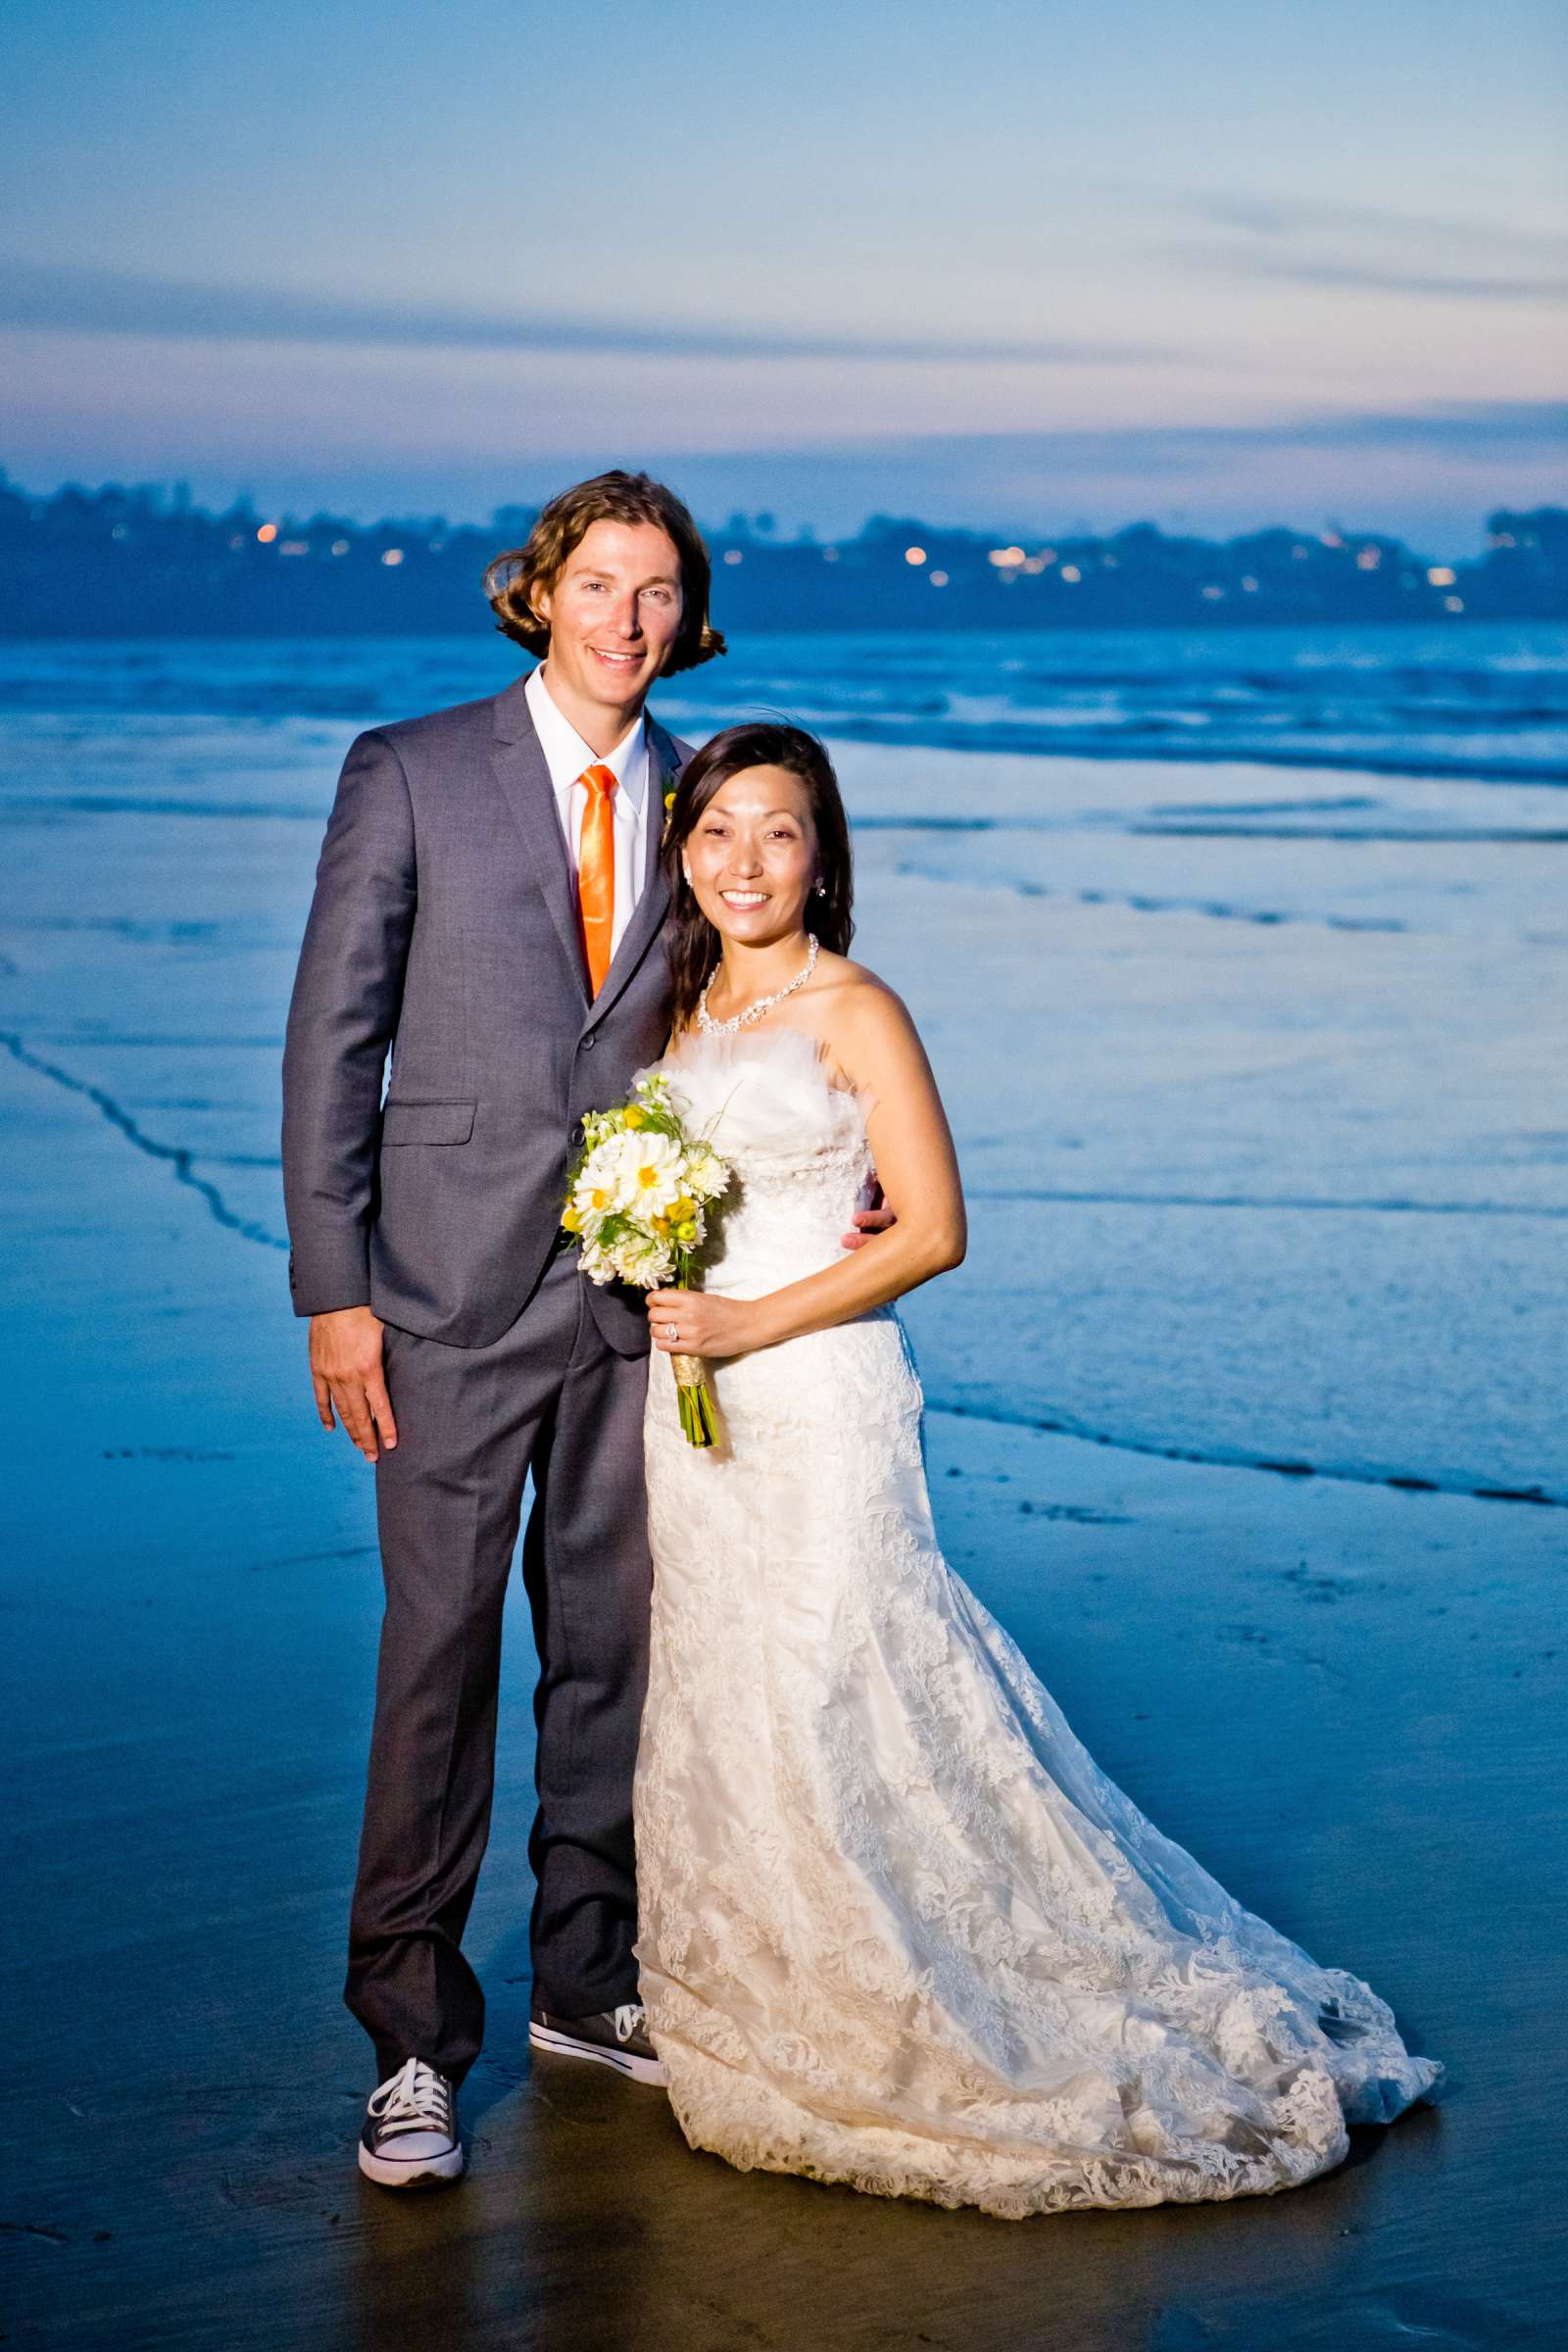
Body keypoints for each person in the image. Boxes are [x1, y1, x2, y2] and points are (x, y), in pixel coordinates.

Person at [632, 720, 1446, 2220]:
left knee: (843, 1680)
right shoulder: (680, 1006)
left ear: (826, 857)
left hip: (815, 1395)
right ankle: (760, 1990)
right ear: (683, 848)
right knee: (728, 1686)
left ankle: (907, 2000)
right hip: (695, 1418)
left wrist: (749, 1318)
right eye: (719, 830)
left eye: (782, 831)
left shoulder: (857, 1010)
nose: (746, 861)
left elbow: (934, 1231)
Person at [280, 475, 892, 2189]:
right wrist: (334, 1292)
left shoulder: (706, 799)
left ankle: (583, 1979)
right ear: (541, 596)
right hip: (443, 1302)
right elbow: (333, 1042)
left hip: (640, 1308)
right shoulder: (407, 772)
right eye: (599, 585)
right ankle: (409, 2040)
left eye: (659, 592)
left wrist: (834, 1174)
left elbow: (771, 992)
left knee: (617, 1659)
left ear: (684, 615)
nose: (628, 619)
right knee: (438, 1665)